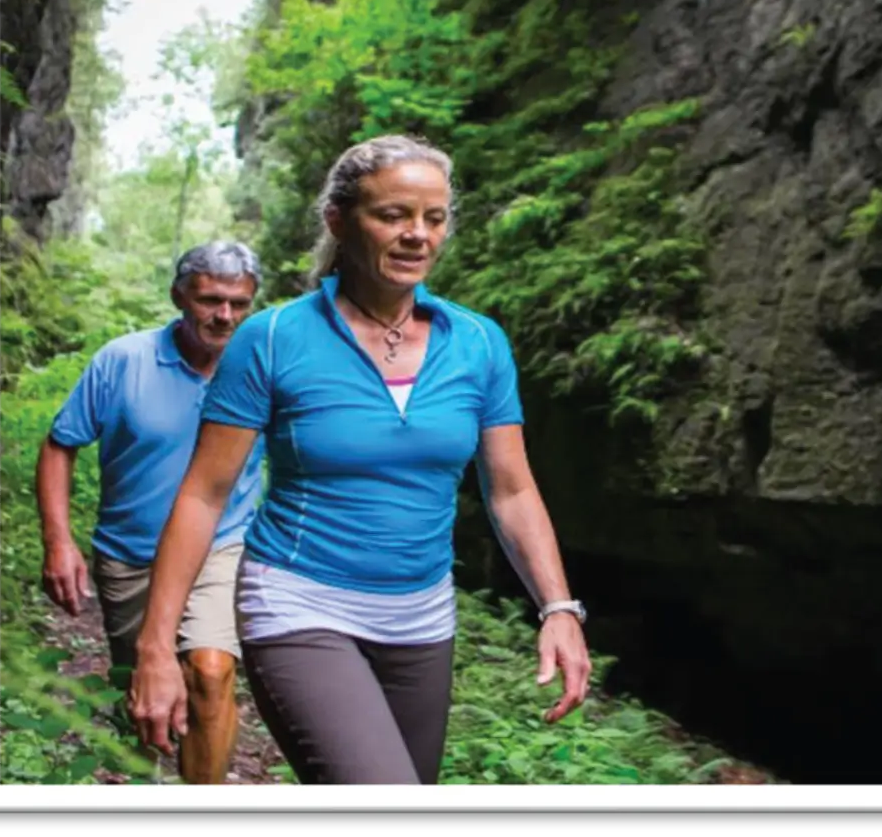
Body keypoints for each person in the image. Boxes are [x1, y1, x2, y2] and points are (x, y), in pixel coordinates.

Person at [128, 135, 592, 784]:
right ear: (339, 221)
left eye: (434, 218)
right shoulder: (272, 338)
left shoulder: (480, 343)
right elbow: (203, 495)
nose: (417, 235)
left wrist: (559, 608)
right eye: (393, 215)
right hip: (297, 601)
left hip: (423, 616)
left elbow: (511, 490)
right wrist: (156, 646)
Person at [35, 241, 266, 785]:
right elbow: (60, 444)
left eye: (239, 303)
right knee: (145, 706)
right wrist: (58, 541)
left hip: (221, 546)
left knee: (210, 674)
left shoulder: (260, 369)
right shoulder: (123, 361)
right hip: (129, 555)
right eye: (211, 300)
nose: (225, 316)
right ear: (179, 296)